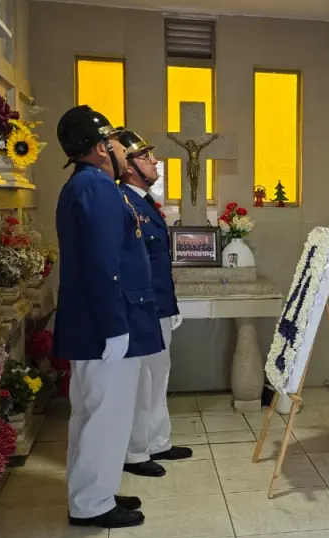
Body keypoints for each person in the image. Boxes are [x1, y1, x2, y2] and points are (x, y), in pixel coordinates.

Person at [53, 106, 165, 529]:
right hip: (107, 326)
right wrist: (115, 326)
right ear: (102, 148)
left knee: (90, 414)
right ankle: (92, 503)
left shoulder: (86, 184)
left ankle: (92, 491)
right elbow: (105, 265)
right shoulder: (97, 188)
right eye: (116, 142)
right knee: (105, 415)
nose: (121, 148)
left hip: (95, 324)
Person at [115, 129, 192, 476]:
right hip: (141, 308)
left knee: (159, 376)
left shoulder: (145, 202)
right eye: (145, 156)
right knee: (141, 381)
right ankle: (135, 452)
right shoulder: (123, 201)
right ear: (128, 167)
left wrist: (170, 305)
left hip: (159, 304)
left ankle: (158, 440)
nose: (155, 160)